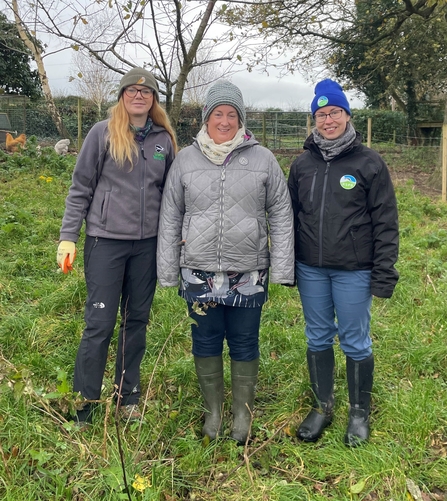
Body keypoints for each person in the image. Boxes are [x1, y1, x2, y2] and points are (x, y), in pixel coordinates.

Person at [157, 81, 294, 444]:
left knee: (245, 341)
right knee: (205, 340)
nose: (224, 120)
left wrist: (281, 267)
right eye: (218, 113)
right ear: (206, 118)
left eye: (232, 114)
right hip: (198, 271)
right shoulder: (186, 160)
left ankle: (241, 415)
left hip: (248, 270)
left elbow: (281, 212)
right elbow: (170, 215)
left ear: (241, 119)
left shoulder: (262, 158)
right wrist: (168, 270)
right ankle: (214, 413)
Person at [57, 67, 177, 427]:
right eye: (131, 91)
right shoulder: (102, 133)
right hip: (105, 242)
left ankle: (128, 397)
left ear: (154, 99)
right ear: (122, 95)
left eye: (146, 92)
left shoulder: (164, 141)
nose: (138, 96)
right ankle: (85, 402)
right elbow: (81, 187)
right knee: (100, 323)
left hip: (147, 247)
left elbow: (172, 195)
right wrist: (68, 235)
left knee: (136, 321)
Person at [288, 79, 399, 447]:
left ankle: (358, 413)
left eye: (335, 111)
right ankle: (322, 406)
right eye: (321, 114)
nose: (328, 119)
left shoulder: (369, 163)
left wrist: (384, 272)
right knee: (317, 335)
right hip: (311, 268)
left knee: (355, 340)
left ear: (348, 115)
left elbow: (386, 221)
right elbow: (288, 217)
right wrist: (287, 265)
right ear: (313, 120)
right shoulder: (302, 164)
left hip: (354, 269)